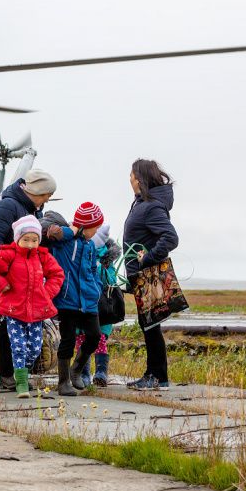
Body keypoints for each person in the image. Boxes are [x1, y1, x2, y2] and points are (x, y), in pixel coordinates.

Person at [0, 169, 57, 390]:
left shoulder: (31, 209)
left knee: (24, 332)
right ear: (36, 191)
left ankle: (17, 374)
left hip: (25, 280)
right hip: (8, 280)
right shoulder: (8, 205)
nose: (47, 200)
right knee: (8, 329)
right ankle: (6, 376)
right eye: (46, 195)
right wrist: (0, 280)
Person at [123, 159, 179, 391]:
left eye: (132, 175)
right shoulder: (142, 203)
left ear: (140, 178)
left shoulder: (151, 206)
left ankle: (158, 377)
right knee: (148, 325)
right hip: (140, 276)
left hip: (149, 275)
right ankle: (153, 374)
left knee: (151, 326)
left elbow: (171, 238)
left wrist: (146, 259)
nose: (129, 179)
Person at [48, 202, 104, 396]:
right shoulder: (64, 240)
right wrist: (72, 231)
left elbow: (93, 269)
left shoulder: (90, 245)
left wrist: (96, 287)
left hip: (88, 299)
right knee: (68, 340)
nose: (95, 232)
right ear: (83, 226)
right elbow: (51, 232)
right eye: (94, 228)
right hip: (67, 299)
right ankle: (63, 382)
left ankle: (76, 369)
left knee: (95, 335)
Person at [75, 225, 122, 387]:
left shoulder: (106, 260)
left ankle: (101, 372)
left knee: (100, 339)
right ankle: (84, 372)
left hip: (101, 309)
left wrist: (102, 269)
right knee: (81, 340)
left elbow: (112, 281)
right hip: (82, 305)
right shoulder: (80, 253)